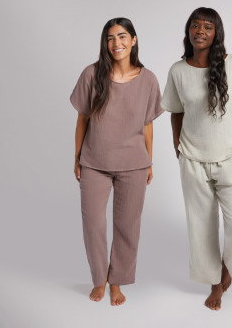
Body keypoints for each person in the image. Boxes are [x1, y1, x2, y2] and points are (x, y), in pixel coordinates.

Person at [161, 7, 232, 311]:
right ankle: (215, 283)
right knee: (202, 225)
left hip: (229, 158)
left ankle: (228, 269)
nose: (200, 31)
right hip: (192, 158)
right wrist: (177, 146)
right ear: (188, 31)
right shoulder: (178, 70)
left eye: (208, 27)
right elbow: (175, 111)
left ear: (217, 33)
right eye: (195, 26)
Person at [70, 17, 163, 306]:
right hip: (94, 162)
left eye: (122, 36)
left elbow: (148, 124)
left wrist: (149, 161)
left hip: (134, 163)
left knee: (127, 226)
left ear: (133, 40)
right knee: (93, 224)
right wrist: (77, 158)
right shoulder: (91, 73)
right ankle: (100, 278)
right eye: (110, 38)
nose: (116, 43)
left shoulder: (148, 79)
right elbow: (81, 118)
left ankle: (117, 282)